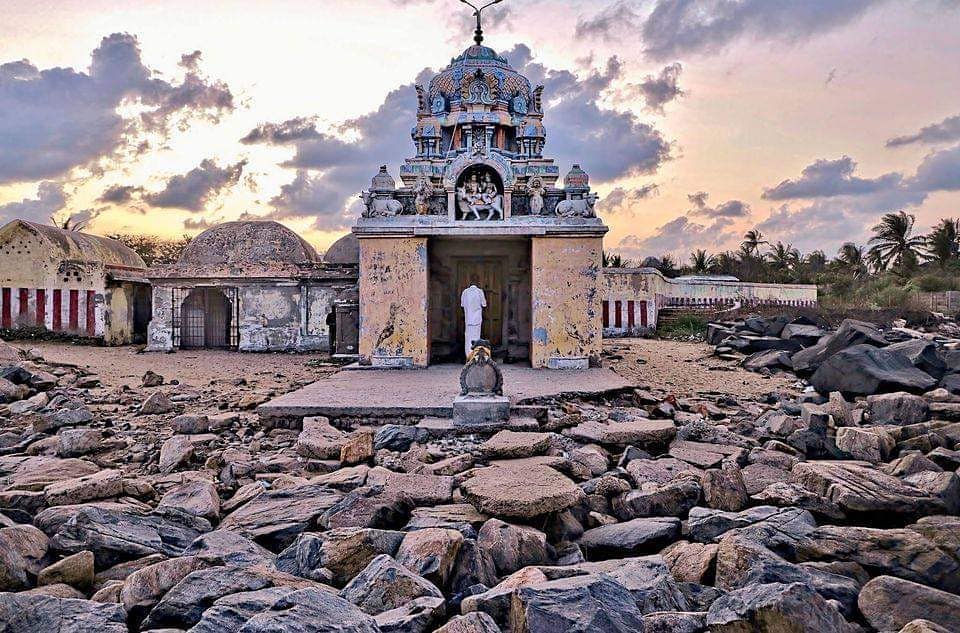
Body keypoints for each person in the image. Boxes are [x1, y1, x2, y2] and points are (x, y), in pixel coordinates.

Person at [460, 281, 487, 359]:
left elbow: (462, 305)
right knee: (476, 337)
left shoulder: (465, 292)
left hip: (468, 319)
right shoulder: (479, 292)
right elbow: (484, 304)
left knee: (468, 338)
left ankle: (468, 356)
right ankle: (476, 357)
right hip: (477, 319)